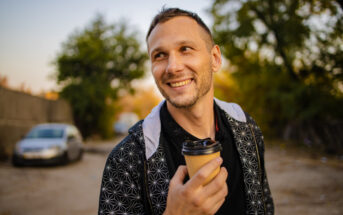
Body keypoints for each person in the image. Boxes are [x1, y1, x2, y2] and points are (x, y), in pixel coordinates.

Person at [98, 7, 274, 215]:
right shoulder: (127, 158)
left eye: (185, 49)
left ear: (215, 58)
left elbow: (265, 206)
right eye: (160, 55)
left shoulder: (247, 130)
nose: (172, 67)